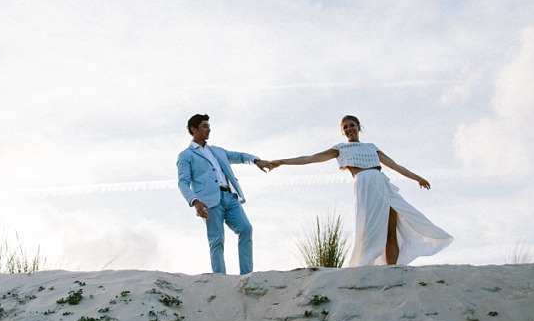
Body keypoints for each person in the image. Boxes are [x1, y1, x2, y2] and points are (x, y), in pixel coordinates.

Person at [267, 115, 451, 266]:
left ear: (359, 127)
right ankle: (365, 265)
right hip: (365, 186)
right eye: (345, 127)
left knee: (391, 229)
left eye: (352, 125)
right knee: (370, 229)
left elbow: (394, 165)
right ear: (342, 131)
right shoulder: (340, 149)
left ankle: (393, 269)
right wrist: (282, 161)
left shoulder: (371, 147)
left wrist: (417, 178)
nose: (349, 129)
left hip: (382, 184)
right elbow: (312, 158)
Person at [177, 114, 270, 275]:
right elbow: (183, 182)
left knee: (246, 228)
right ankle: (219, 279)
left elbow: (240, 156)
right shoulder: (186, 155)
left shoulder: (217, 151)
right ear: (194, 129)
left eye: (209, 126)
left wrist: (256, 161)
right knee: (217, 240)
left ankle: (246, 275)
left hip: (230, 197)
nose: (209, 129)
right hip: (208, 201)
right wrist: (195, 201)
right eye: (205, 126)